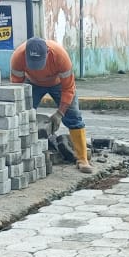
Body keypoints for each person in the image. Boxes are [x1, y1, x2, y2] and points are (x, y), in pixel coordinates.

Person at [11, 37, 93, 174]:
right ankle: (21, 152)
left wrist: (60, 113)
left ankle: (82, 159)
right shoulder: (17, 57)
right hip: (32, 83)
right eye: (33, 63)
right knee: (22, 114)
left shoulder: (60, 56)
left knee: (73, 116)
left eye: (39, 63)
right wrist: (22, 108)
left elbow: (68, 89)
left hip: (58, 83)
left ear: (48, 53)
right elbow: (17, 88)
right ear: (25, 54)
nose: (37, 67)